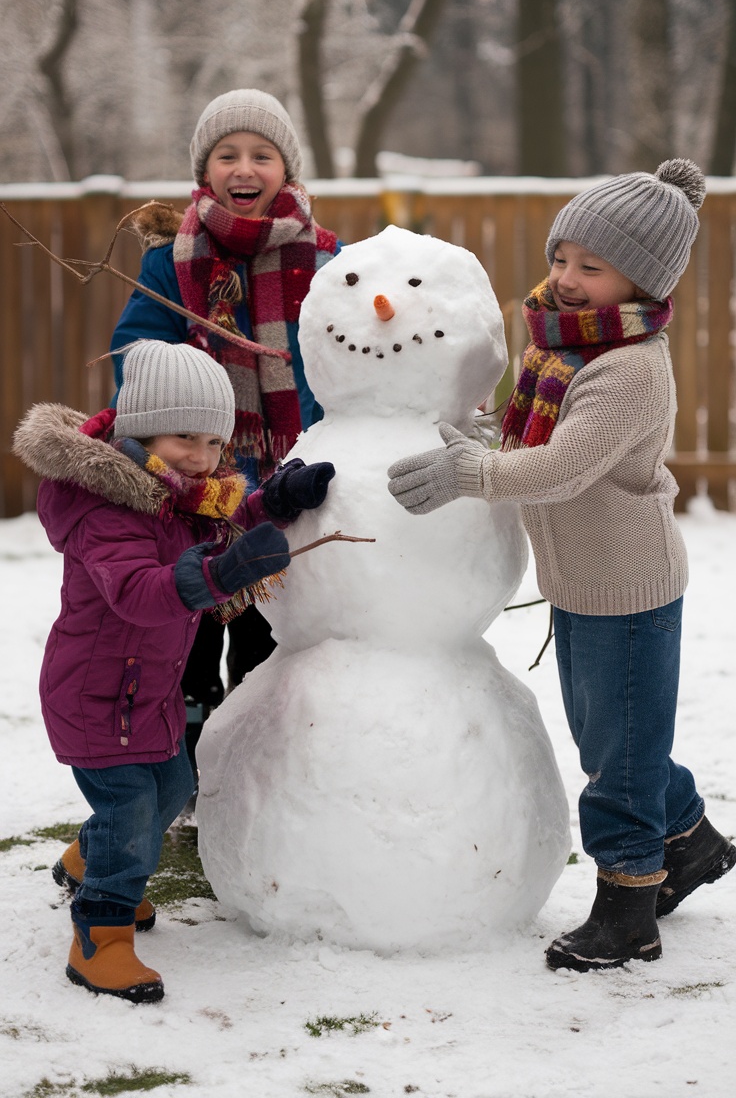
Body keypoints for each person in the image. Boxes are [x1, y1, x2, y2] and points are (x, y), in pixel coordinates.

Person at [387, 158, 736, 973]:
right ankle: (691, 844)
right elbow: (530, 441)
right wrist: (485, 442)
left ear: (640, 283)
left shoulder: (629, 369)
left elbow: (562, 467)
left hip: (629, 586)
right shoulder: (560, 348)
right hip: (579, 582)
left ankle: (628, 912)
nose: (567, 280)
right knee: (610, 738)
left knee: (618, 758)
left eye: (593, 267)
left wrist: (471, 476)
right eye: (562, 259)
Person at [13, 339, 334, 1002]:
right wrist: (221, 575)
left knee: (170, 784)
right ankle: (101, 932)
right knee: (133, 808)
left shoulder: (175, 492)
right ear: (138, 428)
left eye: (215, 442)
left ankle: (90, 859)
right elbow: (136, 590)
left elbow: (217, 530)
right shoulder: (103, 508)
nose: (203, 456)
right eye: (186, 436)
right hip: (95, 694)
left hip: (141, 693)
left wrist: (274, 501)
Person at [109, 88, 339, 734]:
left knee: (269, 624)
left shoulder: (323, 259)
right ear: (204, 173)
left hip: (290, 471)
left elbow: (351, 349)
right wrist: (182, 397)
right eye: (227, 155)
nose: (244, 169)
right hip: (196, 476)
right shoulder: (171, 263)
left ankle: (256, 745)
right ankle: (188, 736)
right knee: (193, 628)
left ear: (286, 171)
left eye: (261, 155)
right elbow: (134, 354)